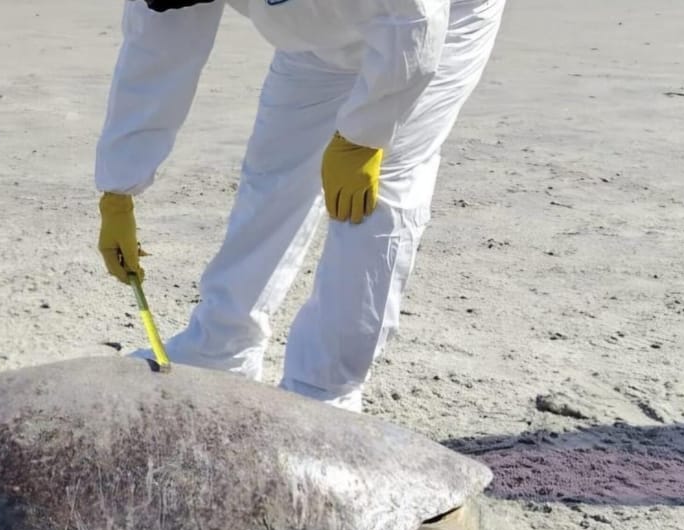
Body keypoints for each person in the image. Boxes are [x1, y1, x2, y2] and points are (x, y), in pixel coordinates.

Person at [95, 0, 505, 413]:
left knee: (376, 192)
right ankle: (221, 347)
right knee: (274, 175)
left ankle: (325, 391)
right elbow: (157, 50)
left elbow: (417, 16)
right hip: (316, 37)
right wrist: (119, 186)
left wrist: (366, 135)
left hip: (439, 18)